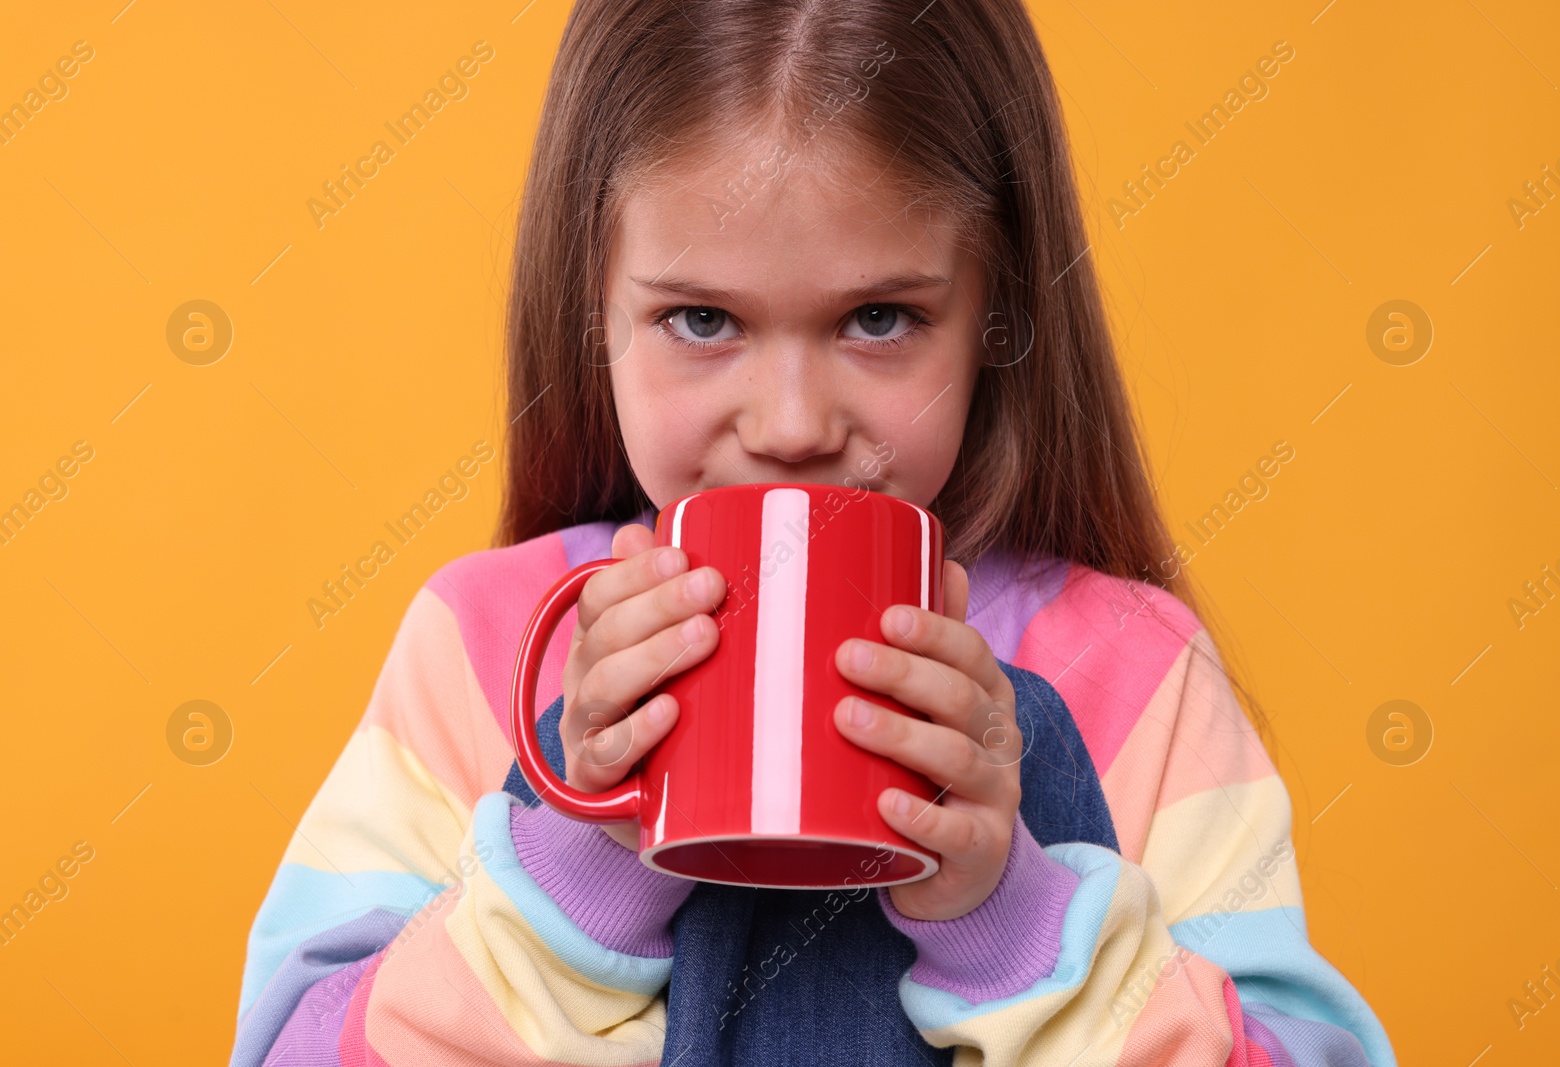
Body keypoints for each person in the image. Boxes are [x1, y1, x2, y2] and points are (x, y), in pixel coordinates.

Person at [228, 1, 1394, 1064]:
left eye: (879, 318)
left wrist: (1012, 920)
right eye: (700, 318)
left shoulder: (1138, 676)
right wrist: (579, 864)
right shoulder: (482, 651)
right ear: (593, 306)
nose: (791, 427)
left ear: (998, 313)